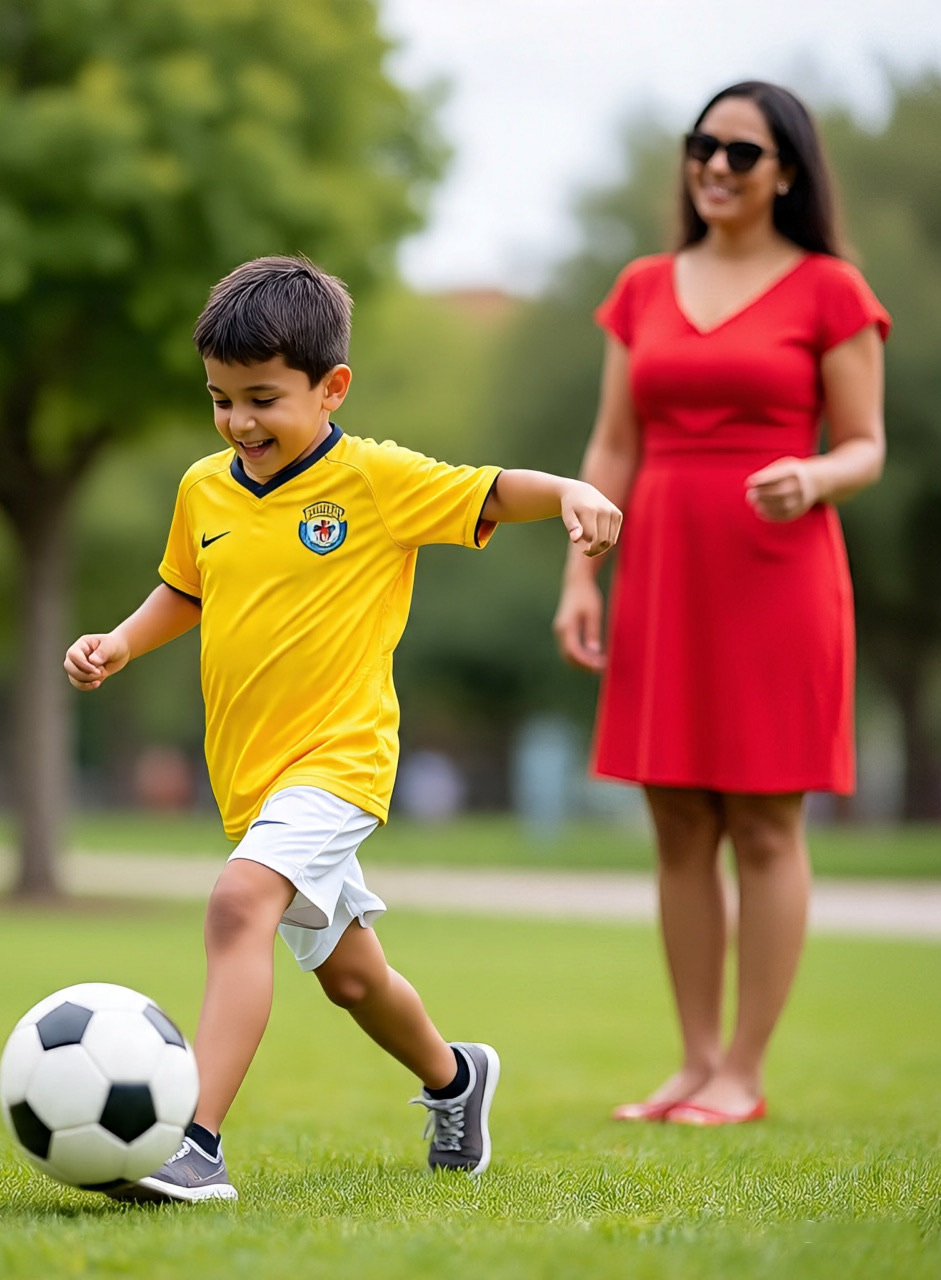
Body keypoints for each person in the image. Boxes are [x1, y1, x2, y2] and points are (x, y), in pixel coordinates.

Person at [65, 255, 622, 1201]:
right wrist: (119, 642)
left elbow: (490, 491)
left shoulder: (374, 479)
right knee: (352, 979)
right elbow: (186, 590)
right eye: (221, 400)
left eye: (263, 399)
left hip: (340, 763)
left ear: (332, 389)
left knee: (237, 905)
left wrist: (570, 490)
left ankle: (194, 1141)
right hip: (252, 780)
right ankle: (454, 1077)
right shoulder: (204, 488)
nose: (240, 422)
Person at [553, 82, 888, 1125]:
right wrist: (579, 574)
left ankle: (744, 1068)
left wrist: (814, 476)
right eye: (702, 145)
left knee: (766, 820)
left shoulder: (830, 289)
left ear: (786, 172)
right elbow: (612, 443)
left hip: (778, 570)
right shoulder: (642, 286)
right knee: (675, 817)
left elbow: (866, 445)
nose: (713, 166)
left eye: (741, 152)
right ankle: (695, 1061)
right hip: (662, 567)